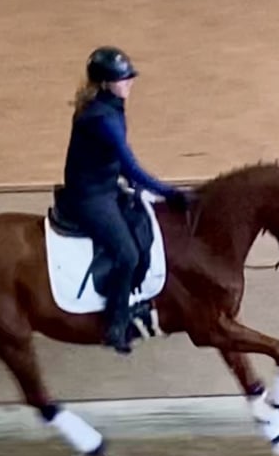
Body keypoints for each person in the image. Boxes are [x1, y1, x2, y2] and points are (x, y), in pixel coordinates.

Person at [59, 45, 190, 354]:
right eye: (123, 78)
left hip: (106, 187)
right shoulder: (100, 117)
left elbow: (116, 163)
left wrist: (138, 189)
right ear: (105, 83)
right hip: (89, 196)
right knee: (127, 253)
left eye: (130, 77)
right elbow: (129, 163)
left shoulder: (111, 107)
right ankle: (115, 324)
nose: (129, 82)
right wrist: (168, 192)